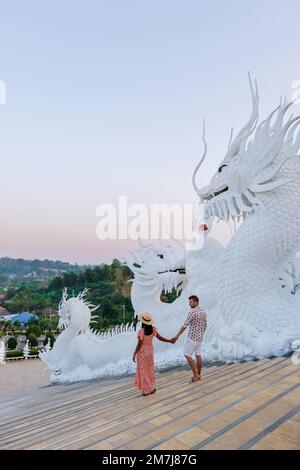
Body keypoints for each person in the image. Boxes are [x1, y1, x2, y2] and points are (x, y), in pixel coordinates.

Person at [133, 312, 175, 396]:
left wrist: (134, 353)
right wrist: (169, 340)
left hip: (142, 353)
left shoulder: (141, 331)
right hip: (150, 352)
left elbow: (139, 344)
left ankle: (146, 390)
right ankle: (151, 388)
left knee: (143, 371)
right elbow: (160, 338)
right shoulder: (153, 329)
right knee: (150, 370)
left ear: (143, 322)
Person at [173, 295, 207, 383]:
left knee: (187, 354)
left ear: (196, 302)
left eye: (190, 302)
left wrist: (177, 335)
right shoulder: (203, 312)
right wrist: (200, 334)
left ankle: (195, 375)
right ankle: (198, 374)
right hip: (199, 338)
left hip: (192, 338)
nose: (189, 304)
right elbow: (205, 325)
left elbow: (185, 325)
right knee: (198, 355)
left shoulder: (192, 312)